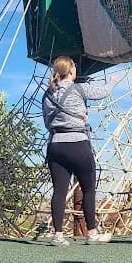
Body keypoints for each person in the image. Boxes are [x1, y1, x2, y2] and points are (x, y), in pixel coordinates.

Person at [42, 56, 113, 246]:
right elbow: (103, 92)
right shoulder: (78, 88)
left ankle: (58, 235)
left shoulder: (47, 94)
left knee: (59, 191)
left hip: (56, 144)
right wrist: (113, 82)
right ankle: (91, 233)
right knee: (88, 189)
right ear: (72, 71)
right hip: (78, 143)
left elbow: (47, 122)